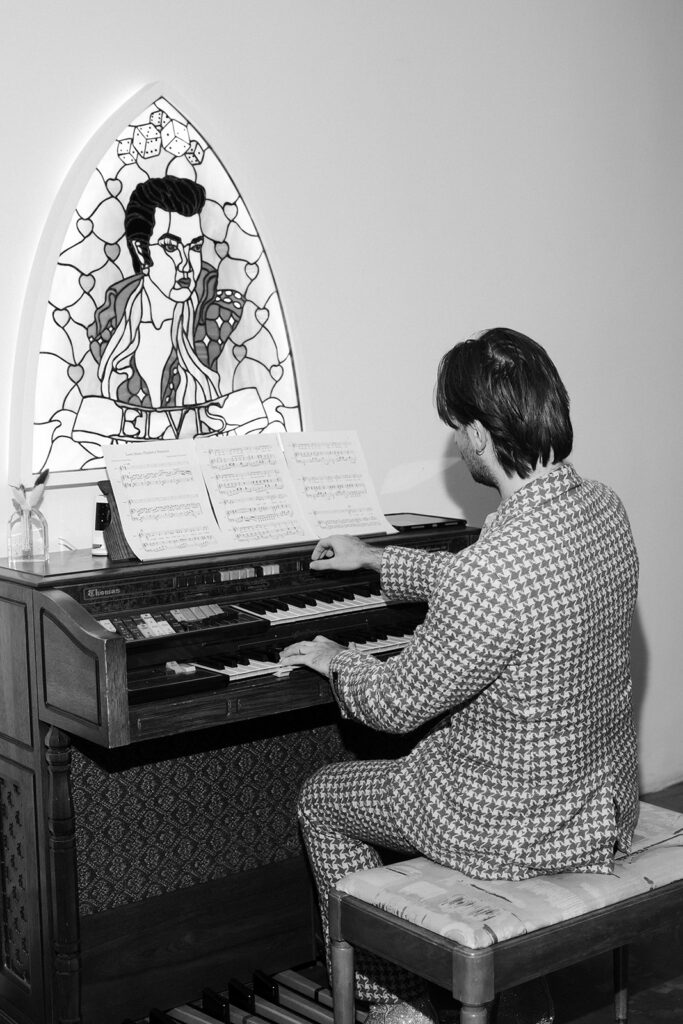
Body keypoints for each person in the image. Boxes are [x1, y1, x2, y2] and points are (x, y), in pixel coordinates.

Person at [279, 327, 639, 1024]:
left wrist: (334, 659)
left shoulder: (493, 569)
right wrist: (378, 559)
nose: (455, 442)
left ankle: (393, 1003)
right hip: (597, 802)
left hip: (505, 826)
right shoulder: (601, 509)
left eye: (454, 429)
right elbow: (503, 588)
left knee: (320, 797)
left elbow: (391, 705)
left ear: (477, 434)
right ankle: (520, 996)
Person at [87, 175, 244, 434]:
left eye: (194, 247)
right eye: (171, 247)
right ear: (141, 251)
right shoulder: (109, 331)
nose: (186, 264)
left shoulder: (214, 321)